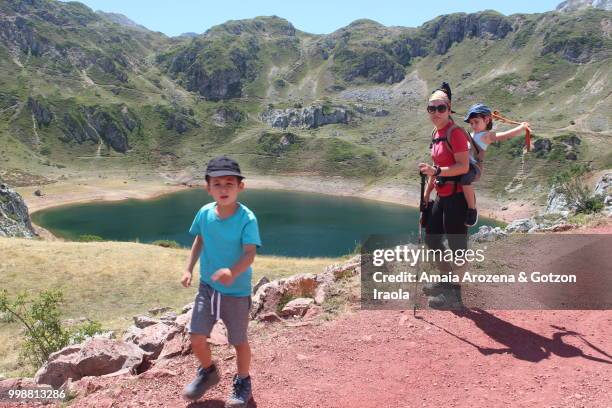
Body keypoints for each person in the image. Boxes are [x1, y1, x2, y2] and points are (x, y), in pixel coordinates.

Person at [181, 155, 262, 407]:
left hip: (236, 292)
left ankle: (243, 381)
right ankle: (208, 372)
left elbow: (250, 253)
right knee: (196, 337)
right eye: (217, 184)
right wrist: (188, 269)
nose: (223, 188)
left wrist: (232, 272)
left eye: (230, 183)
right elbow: (199, 240)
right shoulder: (204, 213)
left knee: (239, 341)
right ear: (208, 188)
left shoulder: (247, 218)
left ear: (241, 187)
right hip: (207, 287)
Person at [417, 82, 469, 309]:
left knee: (458, 247)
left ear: (449, 109)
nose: (436, 112)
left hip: (456, 198)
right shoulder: (435, 133)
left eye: (441, 108)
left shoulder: (455, 133)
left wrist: (436, 172)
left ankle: (454, 296)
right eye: (432, 108)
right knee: (432, 237)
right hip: (441, 195)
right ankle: (446, 281)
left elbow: (463, 166)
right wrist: (426, 198)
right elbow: (434, 166)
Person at [460, 103, 531, 226]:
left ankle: (472, 208)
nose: (473, 125)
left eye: (476, 122)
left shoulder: (487, 136)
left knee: (465, 179)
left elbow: (506, 135)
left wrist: (521, 128)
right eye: (471, 123)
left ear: (486, 120)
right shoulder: (471, 135)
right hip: (466, 164)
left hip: (474, 168)